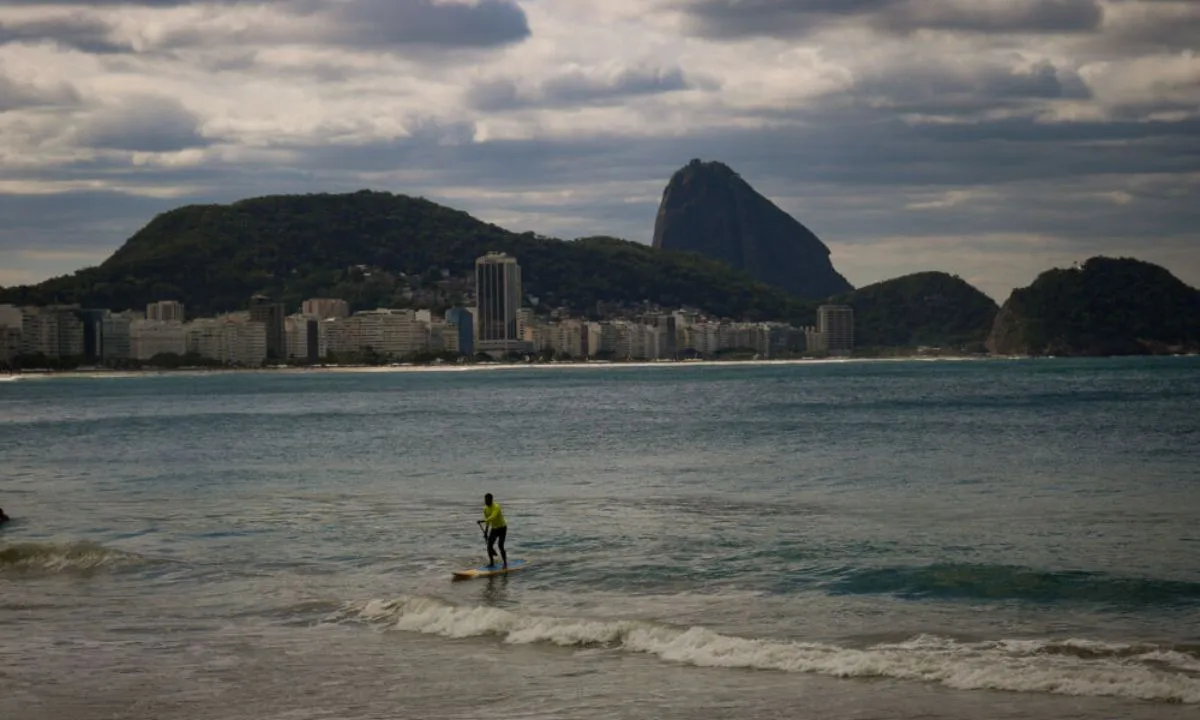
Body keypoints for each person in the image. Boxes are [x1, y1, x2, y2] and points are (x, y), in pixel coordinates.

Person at [477, 493, 507, 569]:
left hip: (502, 528)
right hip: (494, 529)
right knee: (489, 546)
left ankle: (505, 563)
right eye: (485, 500)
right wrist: (486, 532)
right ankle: (492, 563)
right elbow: (488, 522)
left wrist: (483, 521)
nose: (486, 502)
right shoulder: (485, 509)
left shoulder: (496, 507)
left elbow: (493, 517)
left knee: (500, 545)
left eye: (487, 500)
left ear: (491, 499)